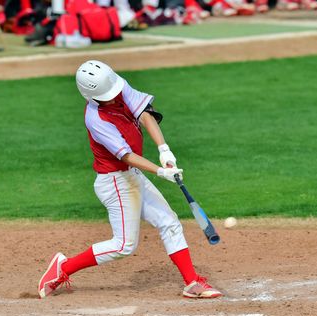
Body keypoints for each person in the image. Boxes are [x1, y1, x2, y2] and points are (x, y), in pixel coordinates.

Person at [38, 60, 222, 299]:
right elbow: (126, 155)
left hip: (131, 177)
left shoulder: (117, 86)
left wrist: (164, 149)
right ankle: (63, 267)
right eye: (107, 96)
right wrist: (160, 171)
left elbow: (145, 114)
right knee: (124, 245)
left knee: (169, 221)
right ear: (91, 96)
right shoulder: (96, 120)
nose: (114, 98)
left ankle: (192, 283)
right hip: (115, 183)